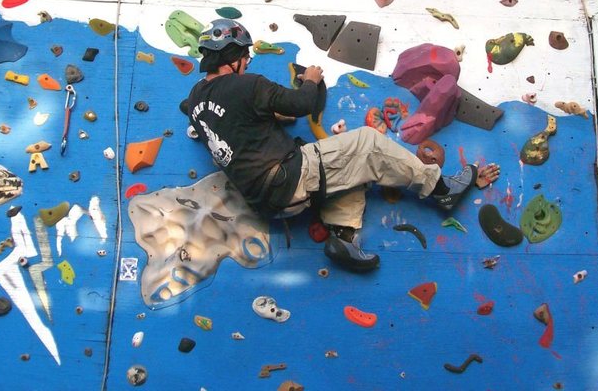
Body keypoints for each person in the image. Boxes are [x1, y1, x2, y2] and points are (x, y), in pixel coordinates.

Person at [186, 18, 500, 273]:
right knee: (368, 143)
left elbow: (223, 125)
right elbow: (302, 103)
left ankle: (343, 238)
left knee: (351, 169)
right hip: (288, 175)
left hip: (267, 203)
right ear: (232, 57)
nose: (248, 63)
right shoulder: (247, 85)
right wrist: (310, 78)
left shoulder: (197, 101)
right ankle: (442, 190)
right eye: (245, 57)